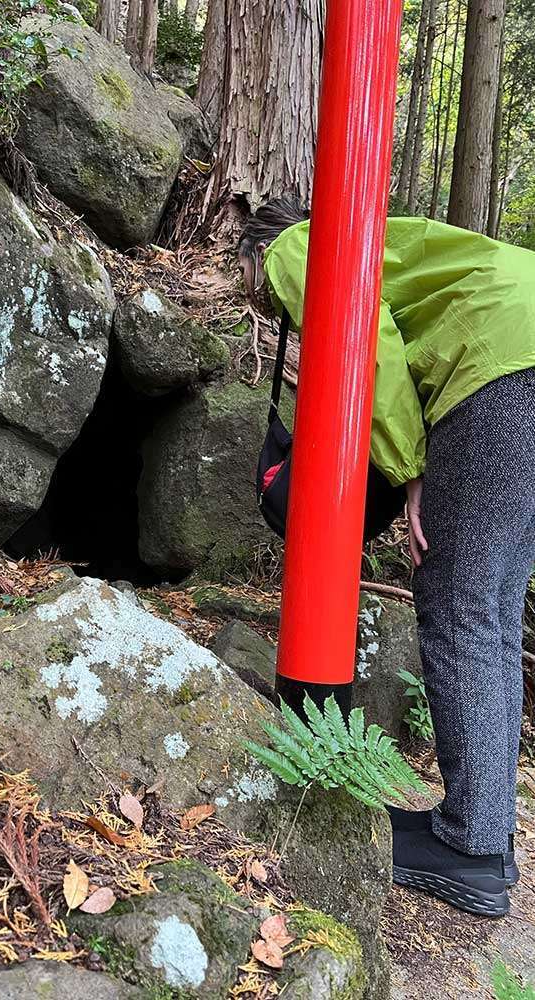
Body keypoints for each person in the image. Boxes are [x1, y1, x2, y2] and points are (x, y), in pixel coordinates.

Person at [239, 197, 535, 919]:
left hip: (499, 362)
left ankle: (468, 846)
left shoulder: (302, 245)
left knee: (460, 606)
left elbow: (365, 341)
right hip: (520, 345)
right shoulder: (387, 241)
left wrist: (409, 469)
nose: (255, 291)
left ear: (260, 249)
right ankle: (487, 836)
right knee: (492, 612)